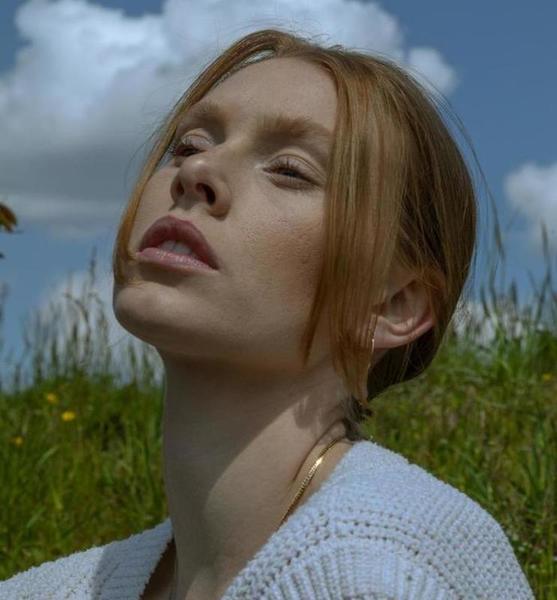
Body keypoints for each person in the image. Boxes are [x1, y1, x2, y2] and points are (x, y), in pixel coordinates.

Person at [1, 27, 534, 600]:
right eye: (188, 145)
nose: (196, 173)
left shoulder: (376, 572)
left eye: (289, 169)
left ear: (392, 304)